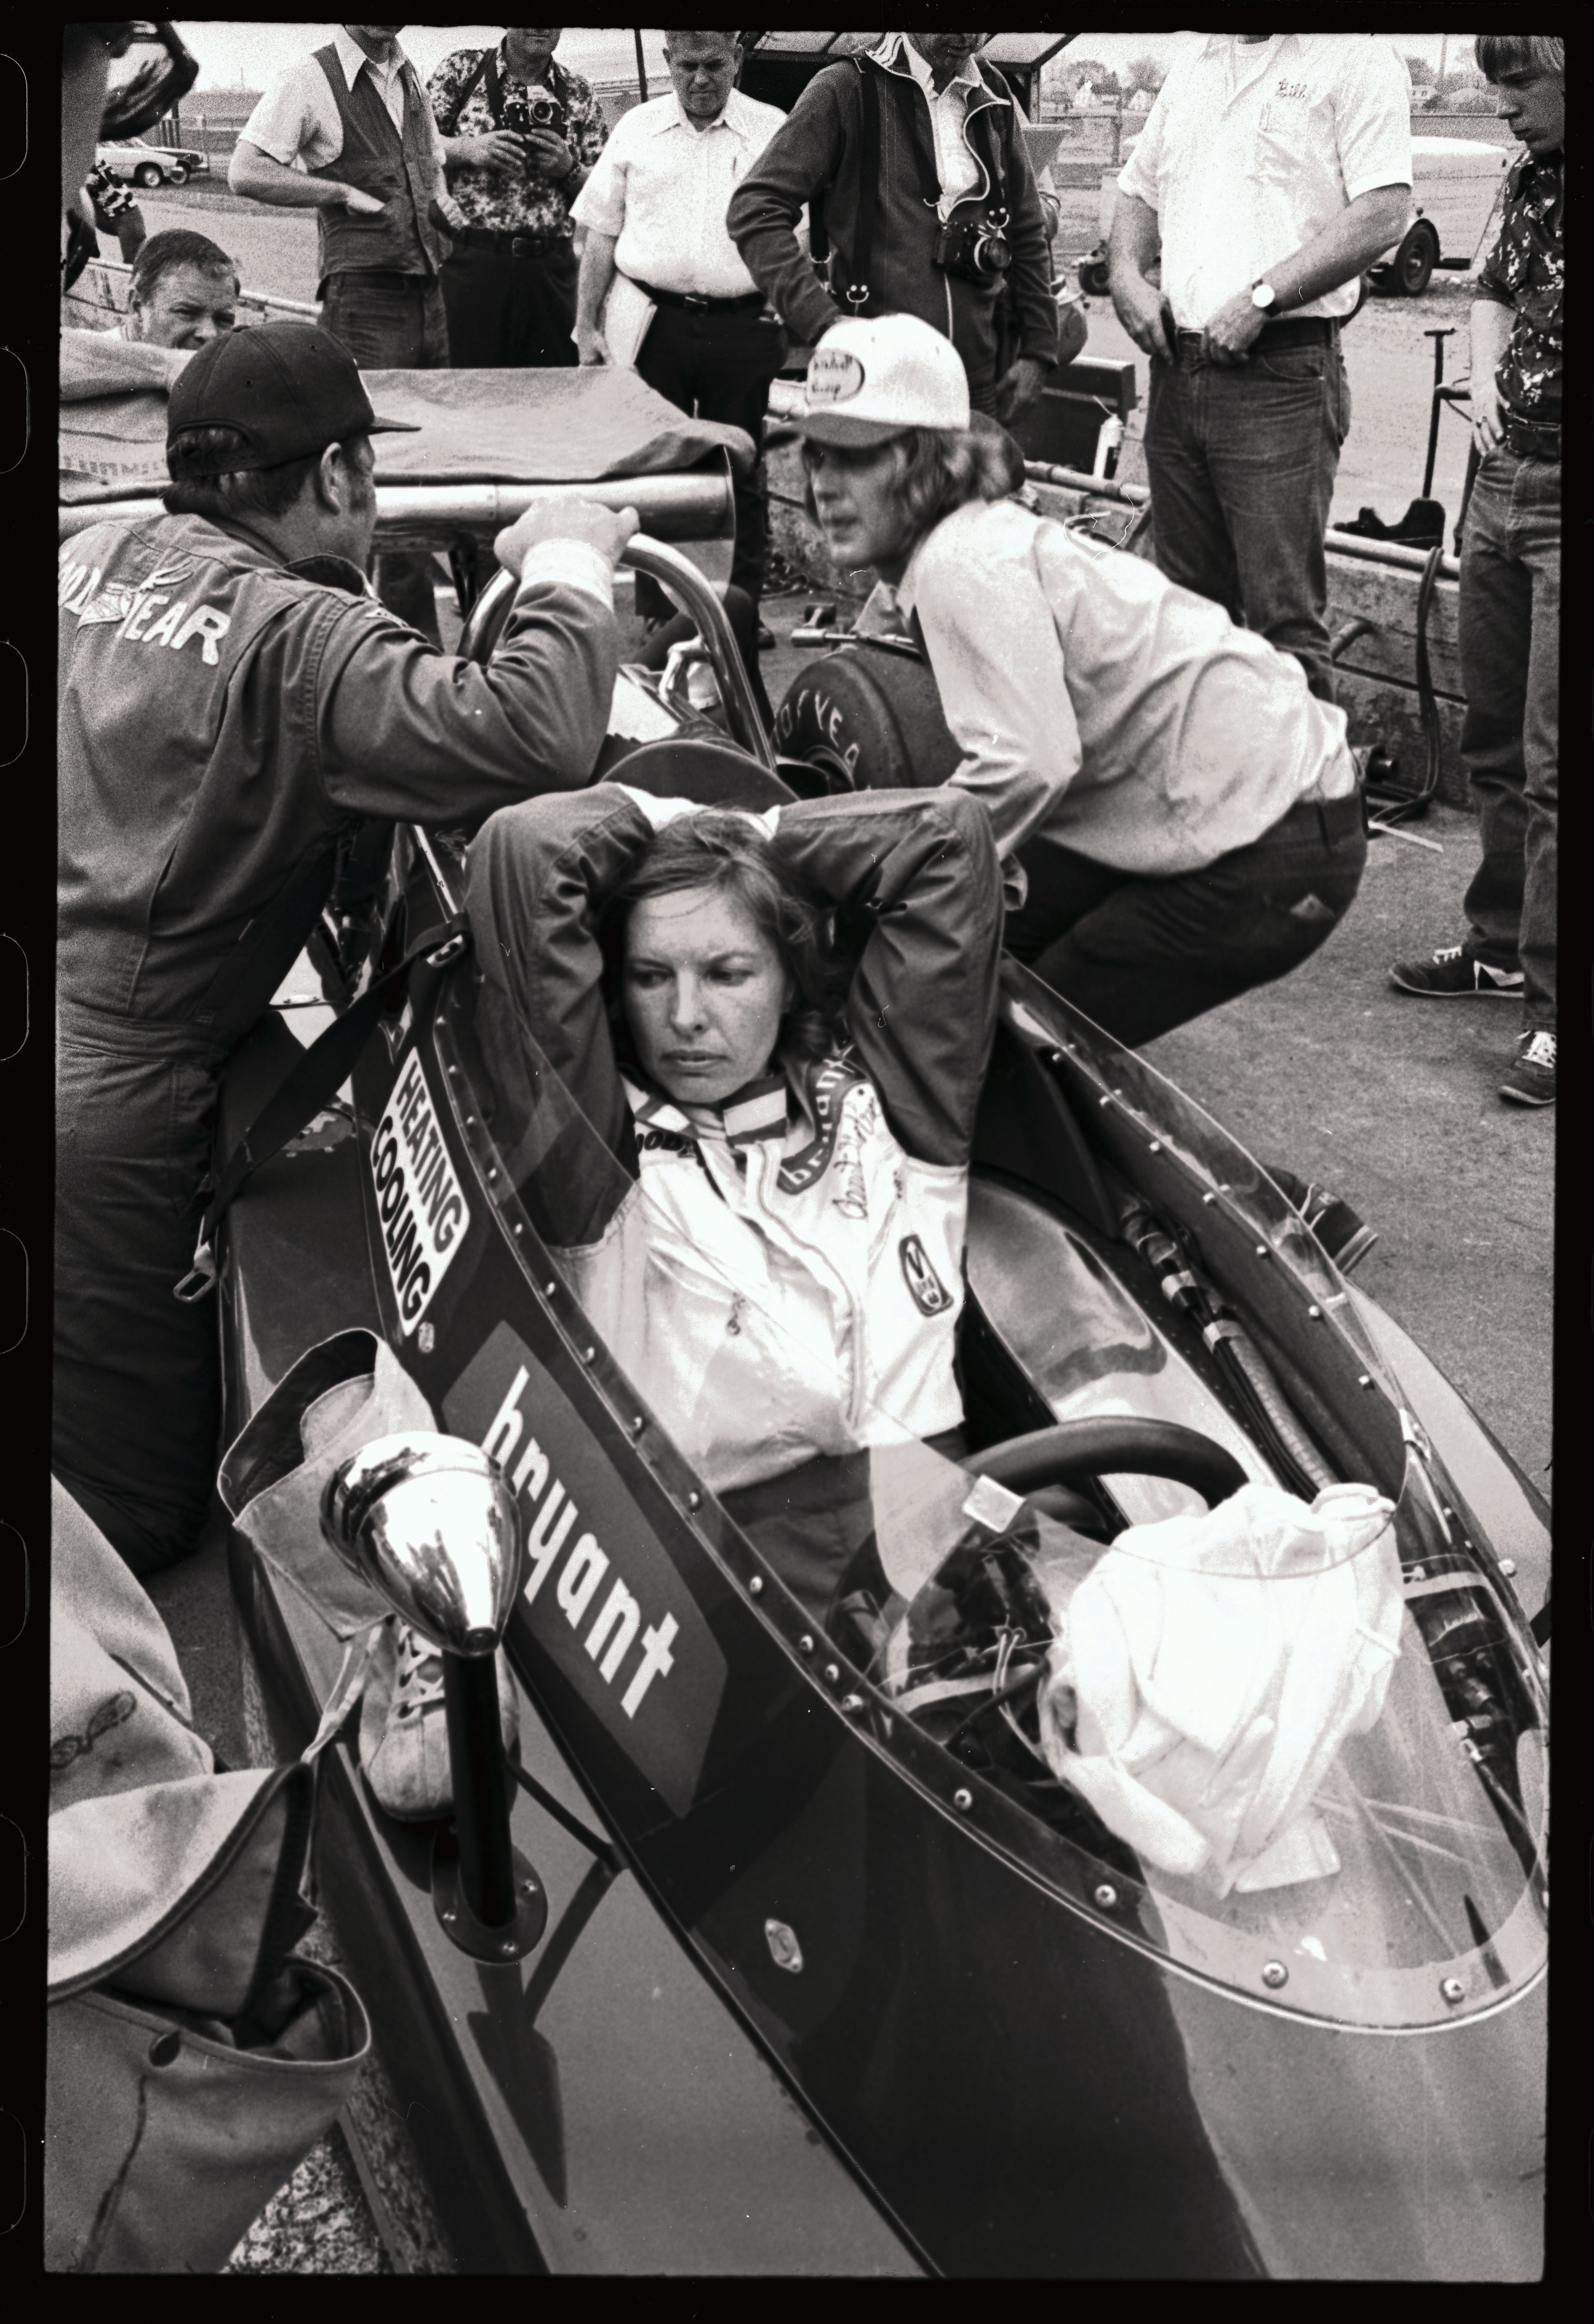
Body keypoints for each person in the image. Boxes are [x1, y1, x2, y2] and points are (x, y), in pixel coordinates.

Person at [56, 318, 637, 1581]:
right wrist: (565, 568)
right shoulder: (301, 636)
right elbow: (532, 734)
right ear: (335, 477)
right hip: (109, 1092)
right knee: (134, 1512)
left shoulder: (88, 549)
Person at [465, 781, 1002, 1627]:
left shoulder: (893, 1115)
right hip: (735, 1606)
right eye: (650, 977)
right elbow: (524, 849)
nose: (685, 1017)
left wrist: (748, 838)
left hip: (944, 1562)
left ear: (789, 981)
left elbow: (947, 839)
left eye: (726, 973)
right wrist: (680, 821)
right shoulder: (596, 1165)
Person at [796, 313, 1367, 1048]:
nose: (825, 488)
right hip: (1265, 795)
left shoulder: (959, 561)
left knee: (1019, 1048)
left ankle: (1165, 1160)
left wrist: (878, 876)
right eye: (816, 459)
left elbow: (1031, 762)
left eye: (857, 459)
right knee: (972, 945)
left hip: (1277, 843)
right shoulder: (962, 538)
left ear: (924, 462)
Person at [1109, 34, 1412, 704]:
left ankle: (1306, 806)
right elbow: (1138, 191)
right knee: (1186, 620)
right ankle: (1214, 796)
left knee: (1282, 625)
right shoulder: (1196, 64)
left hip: (1279, 375)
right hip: (1176, 371)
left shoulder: (1353, 56)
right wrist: (1126, 276)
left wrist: (1263, 298)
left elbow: (1385, 211)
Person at [1390, 36, 1562, 1109]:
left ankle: (1553, 1008)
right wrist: (1490, 365)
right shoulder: (1528, 176)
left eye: (1518, 86)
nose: (1499, 105)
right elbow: (1490, 283)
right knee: (1490, 733)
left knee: (1555, 764)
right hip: (1500, 477)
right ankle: (1497, 943)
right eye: (1493, 84)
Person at [727, 32, 1083, 430]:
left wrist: (1037, 350)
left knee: (962, 491)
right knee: (855, 489)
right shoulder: (845, 87)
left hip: (972, 380)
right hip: (866, 377)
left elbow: (1026, 225)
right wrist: (823, 323)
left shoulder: (993, 91)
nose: (968, 35)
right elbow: (755, 209)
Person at [229, 23, 457, 639]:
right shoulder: (309, 79)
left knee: (441, 456)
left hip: (429, 289)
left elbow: (432, 165)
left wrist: (444, 204)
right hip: (364, 299)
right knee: (382, 473)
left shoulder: (410, 75)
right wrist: (335, 190)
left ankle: (455, 641)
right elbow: (245, 171)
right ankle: (409, 654)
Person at [572, 31, 788, 634]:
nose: (700, 79)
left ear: (737, 60)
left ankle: (740, 606)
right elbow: (601, 236)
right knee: (656, 470)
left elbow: (796, 236)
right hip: (651, 324)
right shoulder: (636, 129)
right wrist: (585, 325)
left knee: (737, 468)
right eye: (687, 66)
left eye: (714, 65)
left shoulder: (773, 129)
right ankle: (658, 610)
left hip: (741, 325)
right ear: (667, 62)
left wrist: (783, 312)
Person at [427, 25, 608, 369]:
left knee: (553, 395)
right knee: (468, 391)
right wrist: (469, 149)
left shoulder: (579, 92)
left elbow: (605, 194)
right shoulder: (461, 71)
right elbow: (417, 146)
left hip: (549, 268)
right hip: (473, 261)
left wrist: (567, 168)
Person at [90, 226, 238, 349]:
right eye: (186, 312)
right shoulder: (85, 366)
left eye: (224, 320)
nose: (210, 334)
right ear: (137, 308)